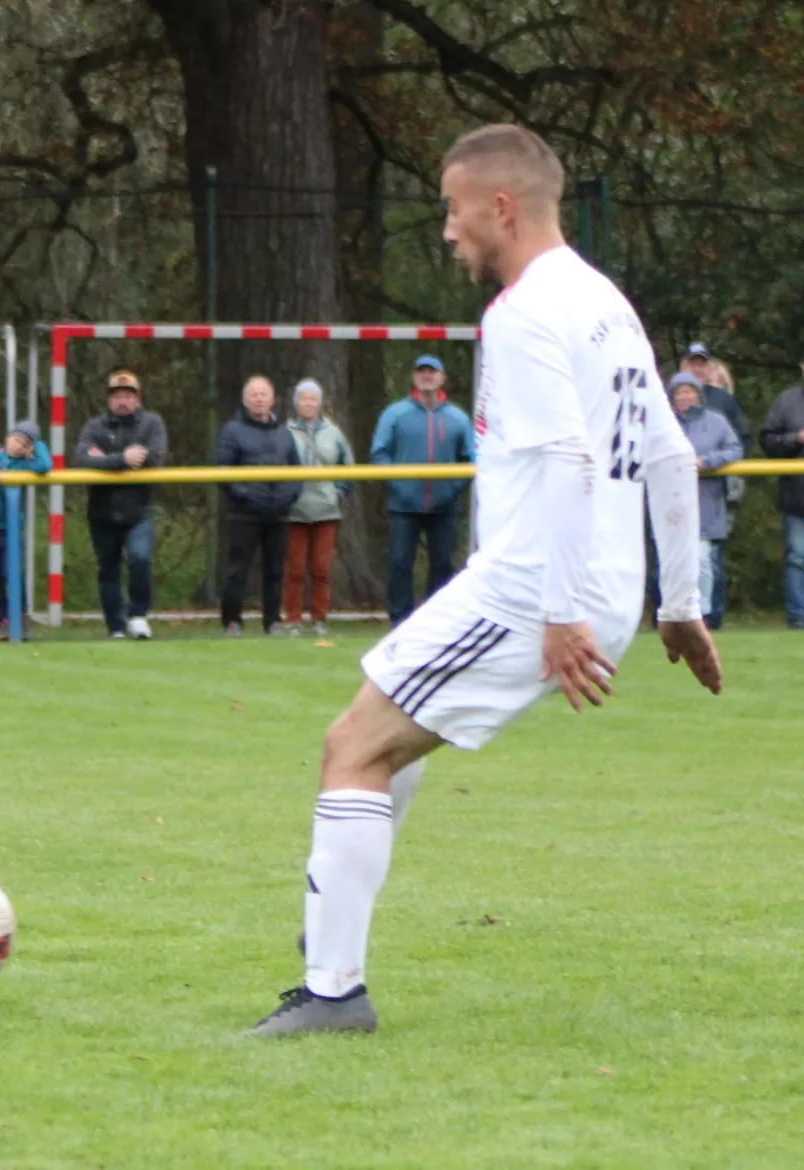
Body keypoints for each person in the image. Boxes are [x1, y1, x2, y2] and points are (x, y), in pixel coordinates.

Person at [251, 124, 720, 1037]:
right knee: (380, 744)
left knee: (353, 745)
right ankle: (335, 943)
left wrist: (559, 613)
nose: (446, 229)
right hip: (586, 588)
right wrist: (678, 605)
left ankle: (333, 992)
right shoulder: (605, 300)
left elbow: (570, 460)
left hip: (533, 589)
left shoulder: (522, 312)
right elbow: (670, 455)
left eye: (452, 208)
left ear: (500, 207)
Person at [371, 354, 474, 625]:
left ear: (442, 378)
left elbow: (471, 459)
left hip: (444, 505)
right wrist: (398, 485)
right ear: (414, 377)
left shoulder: (457, 418)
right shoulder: (395, 414)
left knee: (442, 564)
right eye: (422, 371)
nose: (427, 376)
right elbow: (380, 453)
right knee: (399, 563)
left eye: (432, 371)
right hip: (404, 505)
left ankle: (435, 622)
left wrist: (454, 487)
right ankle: (400, 621)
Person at [71, 370, 169, 639]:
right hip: (102, 510)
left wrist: (105, 459)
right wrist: (123, 459)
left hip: (139, 509)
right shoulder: (95, 426)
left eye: (128, 396)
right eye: (117, 396)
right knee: (108, 568)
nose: (122, 401)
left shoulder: (151, 424)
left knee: (140, 559)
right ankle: (115, 626)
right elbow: (82, 459)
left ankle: (138, 615)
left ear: (137, 398)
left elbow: (155, 458)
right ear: (109, 399)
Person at [214, 375, 302, 637]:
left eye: (264, 394)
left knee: (275, 570)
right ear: (244, 400)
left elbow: (297, 470)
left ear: (272, 399)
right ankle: (232, 621)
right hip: (245, 513)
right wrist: (243, 495)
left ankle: (273, 621)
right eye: (254, 394)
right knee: (238, 569)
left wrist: (290, 495)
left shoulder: (284, 432)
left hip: (279, 513)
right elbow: (221, 470)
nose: (259, 399)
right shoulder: (232, 431)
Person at [0, 420, 53, 639]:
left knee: (13, 575)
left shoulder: (25, 464)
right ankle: (1, 620)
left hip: (11, 530)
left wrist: (37, 446)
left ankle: (20, 619)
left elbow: (45, 465)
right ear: (8, 438)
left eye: (24, 444)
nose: (18, 446)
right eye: (16, 440)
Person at [666, 373, 741, 629]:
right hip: (670, 499)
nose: (683, 397)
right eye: (678, 393)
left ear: (698, 394)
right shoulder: (664, 422)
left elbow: (735, 449)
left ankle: (704, 614)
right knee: (672, 561)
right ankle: (674, 612)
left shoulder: (716, 421)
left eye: (688, 392)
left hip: (706, 499)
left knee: (702, 559)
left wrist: (706, 461)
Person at [282, 379, 355, 637]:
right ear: (296, 403)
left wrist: (338, 493)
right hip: (294, 510)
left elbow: (348, 466)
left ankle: (319, 618)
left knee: (321, 568)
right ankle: (292, 619)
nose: (308, 403)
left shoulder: (334, 433)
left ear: (320, 403)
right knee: (294, 569)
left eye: (313, 398)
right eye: (304, 398)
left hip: (326, 510)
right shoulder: (286, 432)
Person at [757, 362, 804, 629]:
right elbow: (767, 443)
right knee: (797, 558)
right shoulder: (786, 402)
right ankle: (798, 618)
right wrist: (796, 438)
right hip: (796, 497)